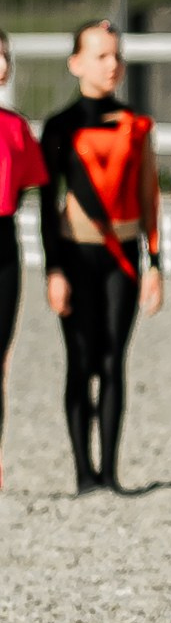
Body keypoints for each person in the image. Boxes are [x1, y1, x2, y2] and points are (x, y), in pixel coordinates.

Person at [37, 19, 162, 492]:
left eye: (117, 56)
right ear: (76, 63)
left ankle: (110, 472)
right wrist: (53, 269)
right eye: (101, 56)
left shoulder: (135, 123)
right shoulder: (59, 127)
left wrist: (155, 264)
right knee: (81, 359)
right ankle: (82, 473)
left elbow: (150, 197)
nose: (113, 65)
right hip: (75, 257)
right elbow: (47, 206)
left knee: (113, 361)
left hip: (123, 259)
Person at [0, 33, 49, 488]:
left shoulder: (15, 128)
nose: (0, 64)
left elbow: (31, 189)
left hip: (3, 246)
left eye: (5, 55)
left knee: (1, 359)